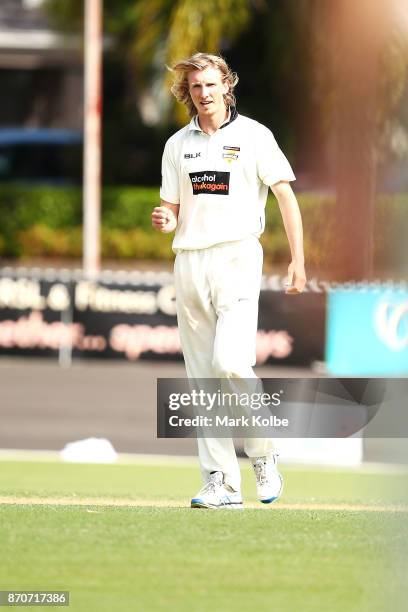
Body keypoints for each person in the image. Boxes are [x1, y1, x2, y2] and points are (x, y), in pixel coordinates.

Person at [152, 52, 306, 509]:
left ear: (227, 85)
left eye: (211, 84)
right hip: (190, 262)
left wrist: (298, 260)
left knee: (231, 363)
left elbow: (285, 196)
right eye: (196, 87)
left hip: (238, 257)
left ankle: (263, 453)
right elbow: (173, 208)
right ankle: (220, 480)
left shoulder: (255, 136)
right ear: (189, 93)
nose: (204, 93)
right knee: (202, 380)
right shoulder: (178, 144)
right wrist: (165, 218)